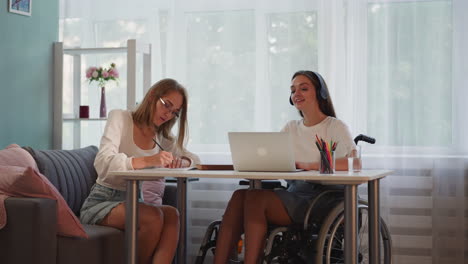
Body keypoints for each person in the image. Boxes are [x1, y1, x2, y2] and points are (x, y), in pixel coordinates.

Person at [213, 70, 357, 264]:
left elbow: (354, 163)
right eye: (293, 90)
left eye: (303, 88)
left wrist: (309, 165)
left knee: (256, 198)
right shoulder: (291, 127)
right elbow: (275, 156)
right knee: (240, 195)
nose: (296, 93)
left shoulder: (334, 126)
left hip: (322, 198)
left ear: (320, 93)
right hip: (295, 192)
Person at [80, 78, 200, 264]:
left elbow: (195, 160)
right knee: (152, 217)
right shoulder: (119, 117)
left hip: (136, 200)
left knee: (172, 215)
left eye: (174, 112)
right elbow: (103, 162)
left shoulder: (162, 137)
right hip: (103, 200)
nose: (168, 114)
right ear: (152, 96)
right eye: (166, 105)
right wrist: (147, 160)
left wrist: (182, 161)